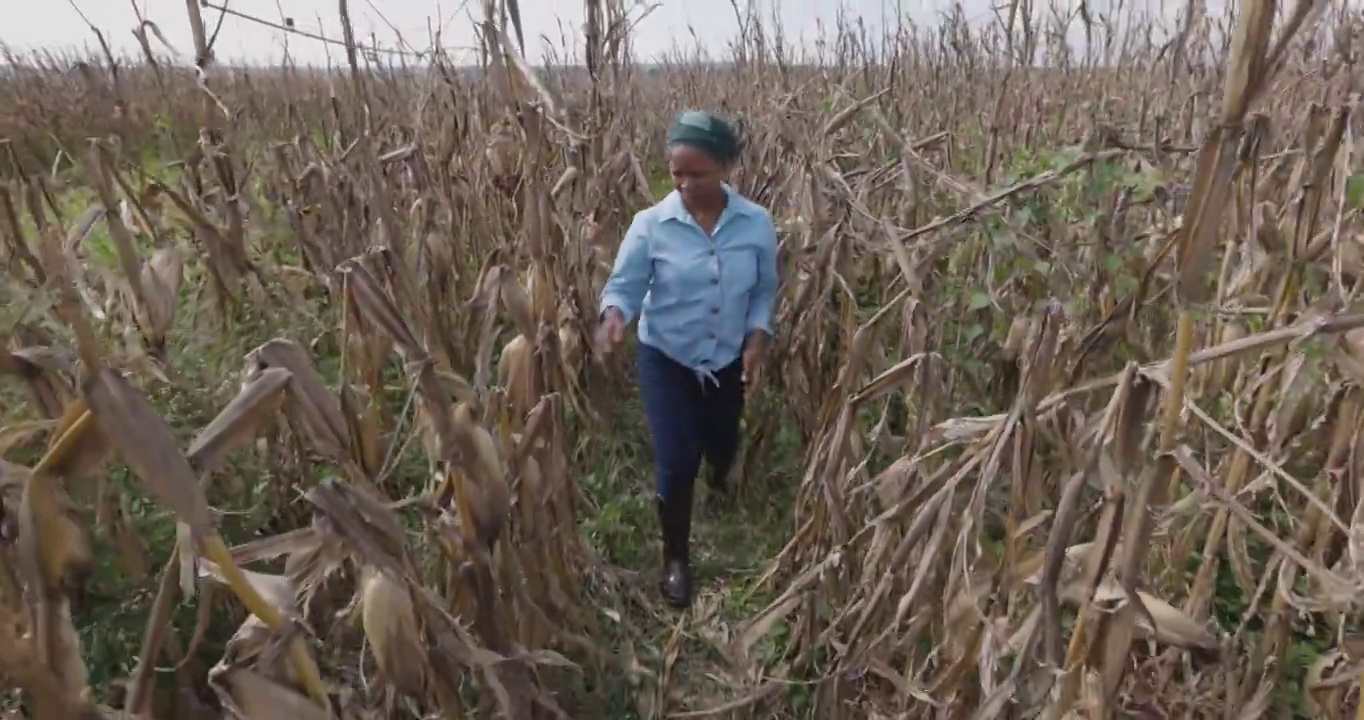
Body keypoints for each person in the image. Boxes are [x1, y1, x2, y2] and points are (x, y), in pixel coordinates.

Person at [594, 110, 779, 609]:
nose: (685, 183)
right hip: (667, 356)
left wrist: (757, 339)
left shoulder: (756, 224)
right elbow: (624, 286)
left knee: (721, 441)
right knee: (677, 460)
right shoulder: (651, 225)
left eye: (697, 173)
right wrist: (614, 316)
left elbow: (764, 292)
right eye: (677, 173)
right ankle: (676, 556)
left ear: (724, 167)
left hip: (725, 358)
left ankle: (721, 477)